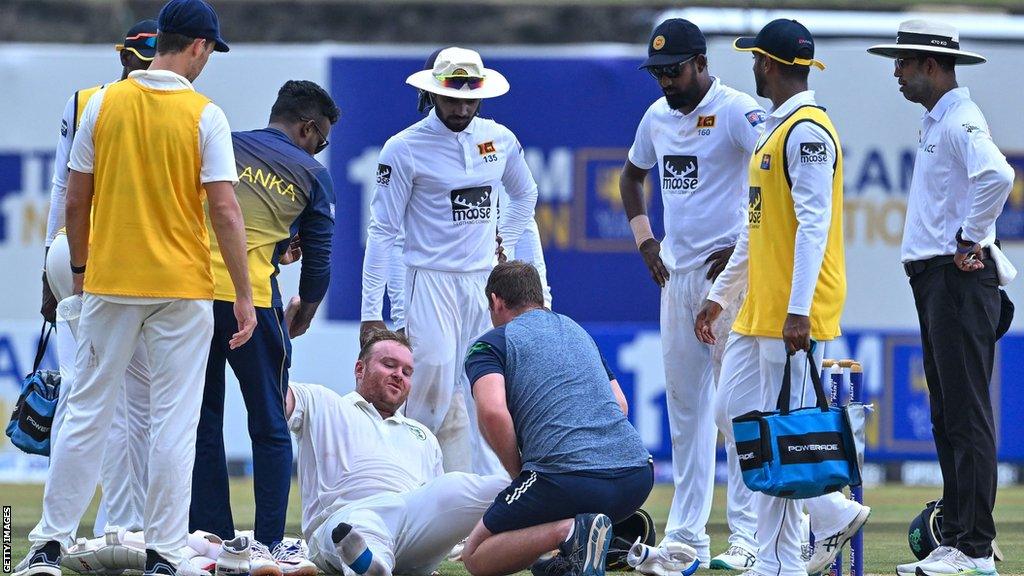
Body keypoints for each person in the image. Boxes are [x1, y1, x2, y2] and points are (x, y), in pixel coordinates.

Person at [16, 1, 255, 576]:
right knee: (173, 423)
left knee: (86, 413)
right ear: (197, 46)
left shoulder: (104, 103)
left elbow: (76, 199)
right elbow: (224, 210)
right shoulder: (206, 115)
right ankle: (165, 554)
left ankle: (49, 544)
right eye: (208, 54)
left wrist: (78, 273)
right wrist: (243, 295)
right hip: (183, 288)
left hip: (109, 281)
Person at [694, 19, 870, 576]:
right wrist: (721, 297)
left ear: (768, 64)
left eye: (755, 59)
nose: (751, 66)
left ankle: (781, 558)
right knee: (735, 416)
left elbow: (814, 226)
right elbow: (754, 231)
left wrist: (798, 309)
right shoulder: (776, 130)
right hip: (758, 309)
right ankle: (826, 510)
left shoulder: (809, 132)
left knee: (782, 430)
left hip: (794, 311)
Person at [867, 20, 1015, 576]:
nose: (896, 72)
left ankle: (974, 549)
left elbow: (997, 176)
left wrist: (970, 236)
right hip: (937, 280)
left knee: (966, 414)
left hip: (957, 280)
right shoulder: (939, 121)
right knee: (948, 413)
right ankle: (957, 537)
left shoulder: (960, 118)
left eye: (903, 61)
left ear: (931, 64)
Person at [619, 18, 766, 570]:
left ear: (701, 63)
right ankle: (688, 536)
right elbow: (631, 178)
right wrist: (645, 241)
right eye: (657, 72)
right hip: (676, 276)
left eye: (673, 70)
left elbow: (771, 174)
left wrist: (747, 244)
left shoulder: (735, 109)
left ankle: (749, 536)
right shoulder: (657, 117)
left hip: (726, 276)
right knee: (687, 409)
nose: (664, 82)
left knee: (735, 409)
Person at [359, 47, 538, 476]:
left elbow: (525, 194)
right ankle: (407, 495)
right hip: (430, 282)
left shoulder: (500, 138)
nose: (460, 107)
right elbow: (383, 230)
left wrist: (504, 241)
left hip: (484, 286)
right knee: (427, 395)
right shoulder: (404, 148)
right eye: (451, 97)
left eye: (469, 98)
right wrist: (371, 312)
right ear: (433, 94)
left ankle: (496, 510)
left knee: (490, 391)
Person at [189, 80, 340, 572]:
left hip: (189, 300)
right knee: (271, 424)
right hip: (251, 303)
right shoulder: (311, 173)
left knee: (202, 421)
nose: (323, 148)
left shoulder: (224, 143)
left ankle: (211, 540)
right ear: (309, 127)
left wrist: (277, 245)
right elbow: (318, 263)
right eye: (323, 138)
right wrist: (306, 310)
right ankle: (271, 544)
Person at [459, 261, 656, 576]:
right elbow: (619, 404)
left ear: (495, 302)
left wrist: (519, 474)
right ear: (539, 298)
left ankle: (568, 532)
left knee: (476, 556)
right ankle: (609, 540)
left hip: (565, 480)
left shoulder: (489, 344)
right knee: (545, 559)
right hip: (637, 477)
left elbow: (493, 412)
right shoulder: (575, 330)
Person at [40, 18, 158, 538]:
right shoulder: (158, 105)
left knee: (87, 392)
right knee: (116, 398)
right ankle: (116, 522)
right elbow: (64, 185)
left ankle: (69, 527)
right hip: (109, 256)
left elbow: (62, 186)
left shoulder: (89, 99)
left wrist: (50, 262)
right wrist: (53, 263)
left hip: (82, 254)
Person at [286, 330, 507, 576]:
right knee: (361, 524)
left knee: (462, 484)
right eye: (389, 365)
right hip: (345, 519)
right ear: (360, 369)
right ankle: (371, 566)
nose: (399, 376)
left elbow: (434, 502)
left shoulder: (422, 435)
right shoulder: (324, 403)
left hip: (413, 527)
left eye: (407, 372)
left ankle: (552, 512)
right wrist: (272, 334)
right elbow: (273, 395)